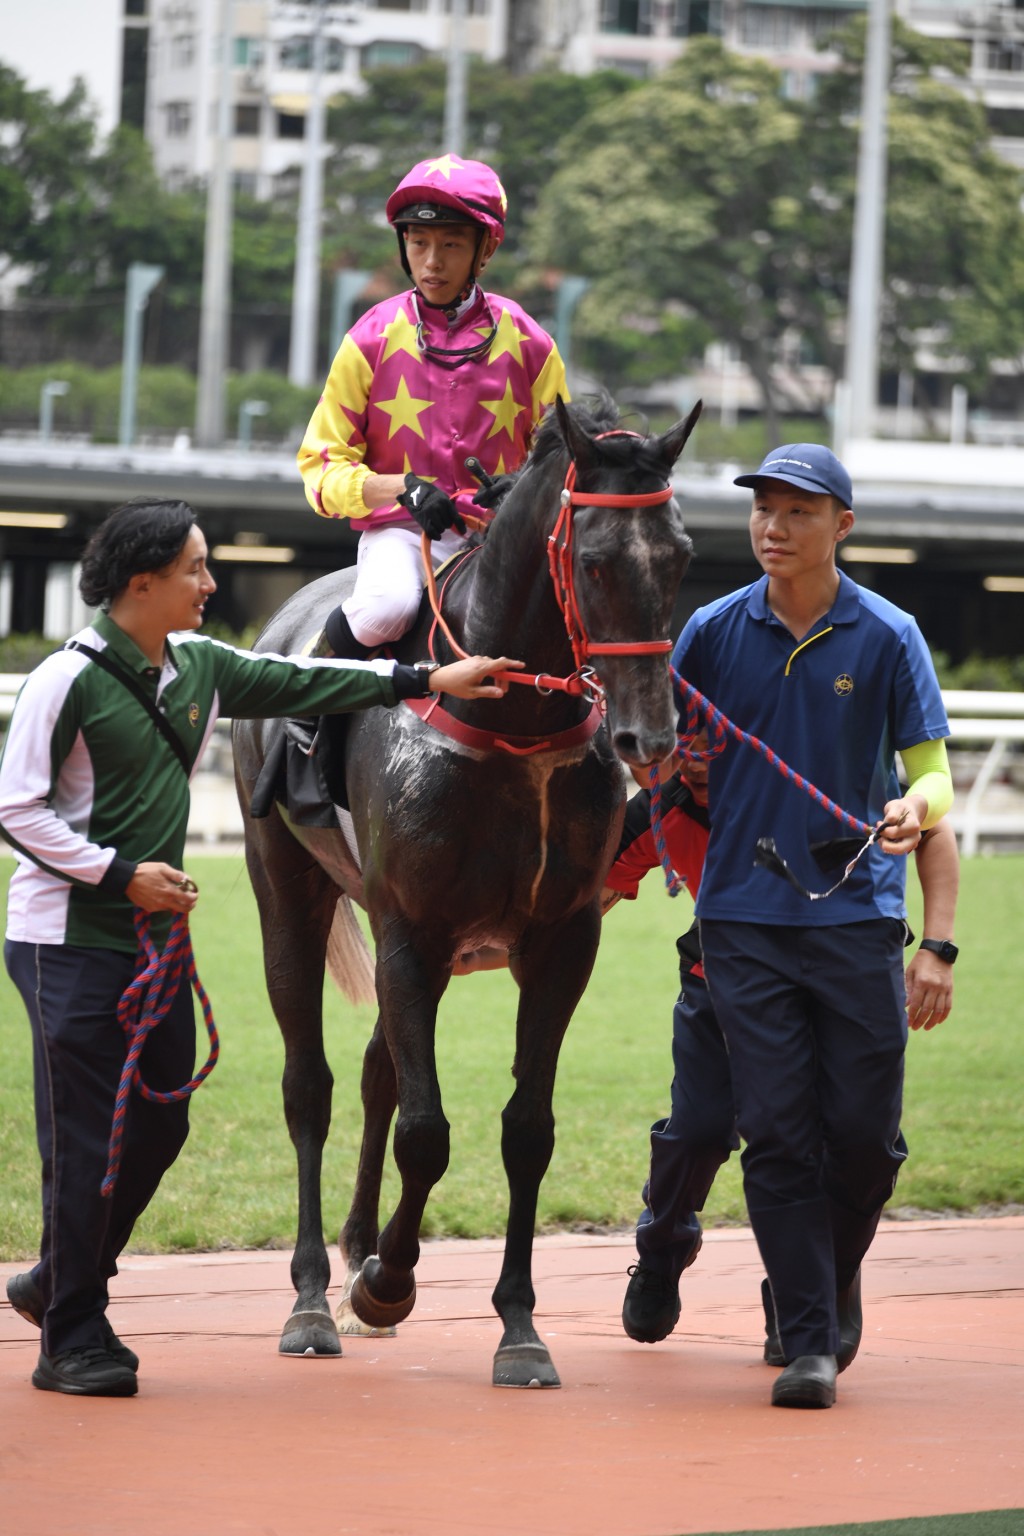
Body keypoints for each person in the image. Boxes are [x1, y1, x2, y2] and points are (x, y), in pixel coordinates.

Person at [0, 497, 520, 1399]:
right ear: (141, 582)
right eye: (197, 570)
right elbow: (16, 809)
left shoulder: (199, 665)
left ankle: (57, 1279)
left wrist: (429, 681)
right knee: (84, 1141)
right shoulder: (65, 679)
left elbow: (308, 684)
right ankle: (73, 1333)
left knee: (159, 1126)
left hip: (154, 942)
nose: (210, 584)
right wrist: (119, 874)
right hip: (65, 942)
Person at [670, 443, 953, 1410]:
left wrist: (918, 808)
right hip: (741, 921)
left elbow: (933, 771)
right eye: (763, 511)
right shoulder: (708, 630)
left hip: (859, 921)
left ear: (843, 525)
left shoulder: (888, 633)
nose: (773, 529)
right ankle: (808, 1339)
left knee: (867, 1141)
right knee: (779, 1133)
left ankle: (822, 1279)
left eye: (798, 512)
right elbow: (645, 736)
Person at [616, 756, 960, 1353]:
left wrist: (937, 947)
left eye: (705, 747)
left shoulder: (817, 772)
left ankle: (814, 1284)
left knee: (855, 1140)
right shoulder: (657, 808)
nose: (691, 762)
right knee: (697, 1131)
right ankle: (662, 1251)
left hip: (840, 974)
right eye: (677, 748)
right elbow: (578, 899)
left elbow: (932, 828)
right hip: (719, 979)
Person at [297, 154, 567, 663]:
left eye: (451, 244)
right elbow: (320, 470)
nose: (432, 262)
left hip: (502, 539)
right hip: (403, 535)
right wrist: (401, 488)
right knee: (386, 610)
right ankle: (306, 705)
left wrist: (528, 486)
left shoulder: (530, 342)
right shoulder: (369, 338)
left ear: (484, 249)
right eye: (418, 243)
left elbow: (567, 460)